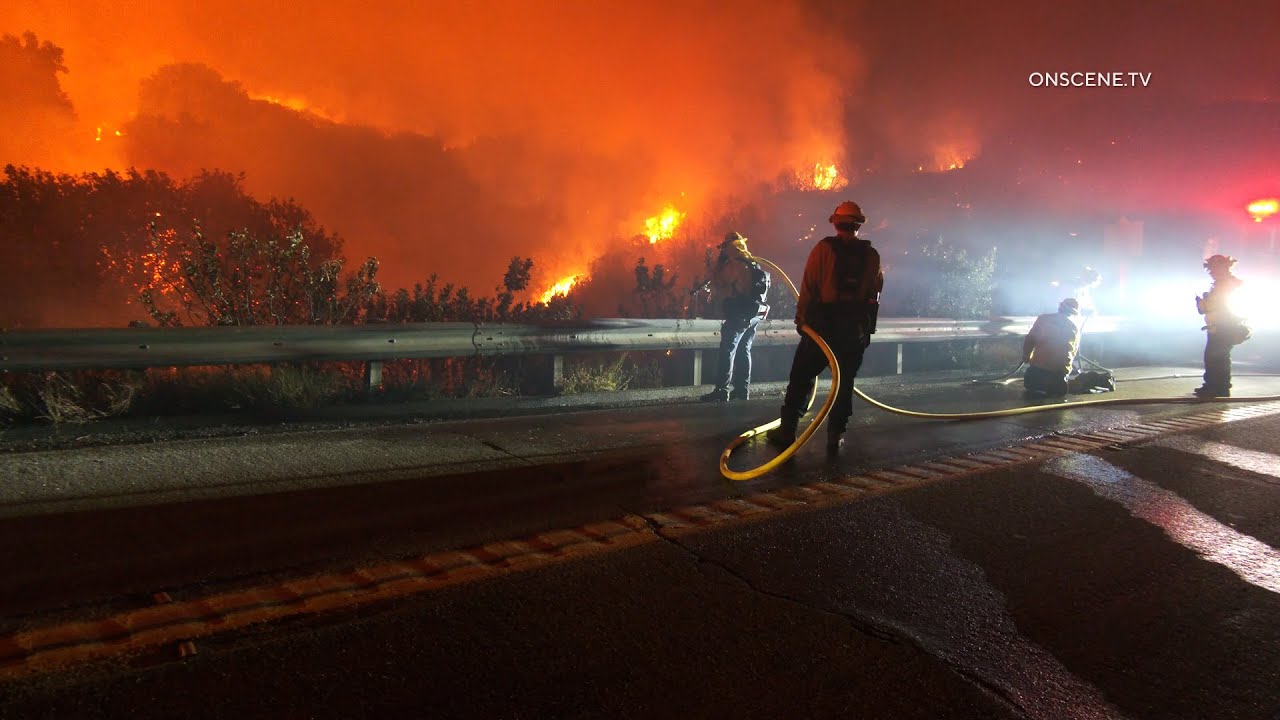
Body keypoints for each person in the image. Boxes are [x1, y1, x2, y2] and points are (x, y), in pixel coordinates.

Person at [767, 201, 882, 453]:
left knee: (802, 377)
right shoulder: (871, 255)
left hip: (822, 329)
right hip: (853, 331)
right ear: (858, 225)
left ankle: (787, 431)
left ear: (836, 223)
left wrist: (801, 319)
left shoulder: (823, 249)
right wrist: (866, 331)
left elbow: (809, 286)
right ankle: (836, 434)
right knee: (844, 382)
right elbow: (874, 296)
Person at [699, 232, 770, 402]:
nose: (723, 252)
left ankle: (722, 390)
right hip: (753, 314)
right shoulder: (753, 264)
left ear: (731, 248)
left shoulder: (734, 266)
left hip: (739, 314)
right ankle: (742, 389)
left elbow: (719, 286)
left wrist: (712, 282)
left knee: (727, 351)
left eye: (725, 248)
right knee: (744, 350)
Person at [1194, 254, 1250, 398]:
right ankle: (1213, 386)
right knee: (1214, 357)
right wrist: (1203, 304)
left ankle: (1219, 387)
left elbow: (1220, 306)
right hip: (1217, 327)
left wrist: (1204, 303)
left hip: (1225, 327)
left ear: (1222, 268)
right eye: (1210, 270)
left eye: (1213, 269)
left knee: (1217, 358)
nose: (1211, 272)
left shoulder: (1227, 285)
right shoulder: (1222, 284)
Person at [1022, 298, 1083, 397]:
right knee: (1058, 392)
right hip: (1056, 377)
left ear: (1060, 307)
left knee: (1031, 388)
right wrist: (1065, 372)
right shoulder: (1074, 327)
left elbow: (1030, 339)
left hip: (1035, 374)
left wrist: (1026, 356)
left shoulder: (1043, 319)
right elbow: (1072, 352)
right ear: (1074, 313)